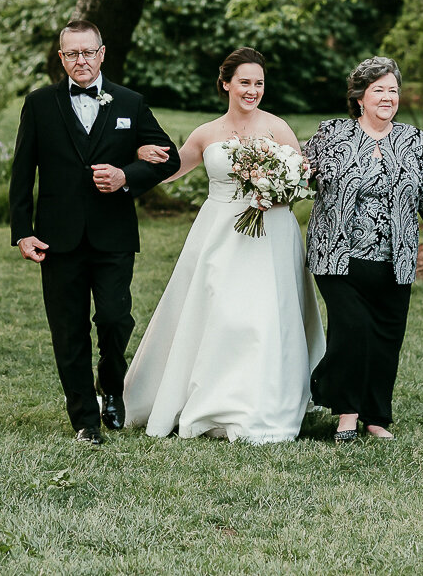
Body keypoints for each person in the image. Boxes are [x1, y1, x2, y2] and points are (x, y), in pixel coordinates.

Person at [123, 47, 325, 443]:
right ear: (226, 83)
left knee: (266, 315)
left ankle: (264, 402)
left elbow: (302, 178)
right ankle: (210, 395)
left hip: (273, 234)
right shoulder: (206, 133)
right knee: (219, 312)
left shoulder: (278, 128)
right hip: (218, 233)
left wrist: (278, 190)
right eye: (245, 82)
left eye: (259, 83)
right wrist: (136, 155)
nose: (252, 91)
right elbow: (167, 173)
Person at [9, 20, 179, 445]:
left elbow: (170, 158)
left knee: (115, 319)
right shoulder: (40, 103)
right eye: (72, 54)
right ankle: (85, 418)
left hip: (113, 236)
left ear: (102, 54)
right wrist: (21, 231)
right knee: (68, 330)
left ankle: (112, 387)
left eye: (88, 53)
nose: (80, 61)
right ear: (62, 57)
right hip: (57, 237)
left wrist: (127, 174)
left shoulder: (129, 102)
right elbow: (21, 171)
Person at [305, 56, 423, 442]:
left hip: (396, 258)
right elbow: (298, 172)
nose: (388, 97)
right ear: (360, 96)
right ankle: (346, 414)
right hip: (337, 255)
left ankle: (376, 416)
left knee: (387, 337)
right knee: (353, 330)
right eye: (379, 90)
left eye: (393, 90)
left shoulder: (413, 140)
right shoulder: (333, 133)